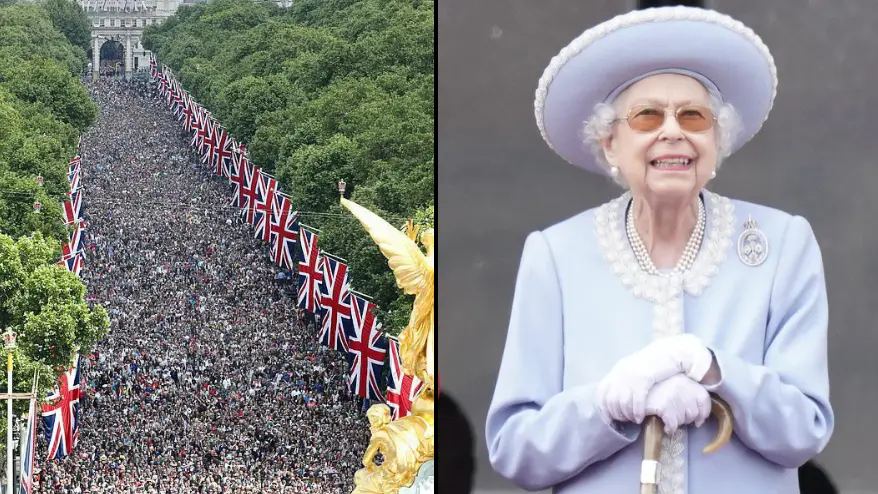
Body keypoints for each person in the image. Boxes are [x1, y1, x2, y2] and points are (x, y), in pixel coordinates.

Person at [484, 6, 834, 494]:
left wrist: (714, 370)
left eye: (694, 115)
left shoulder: (782, 245)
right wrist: (607, 405)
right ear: (610, 143)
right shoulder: (555, 256)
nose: (673, 130)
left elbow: (805, 429)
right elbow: (514, 448)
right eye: (647, 116)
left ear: (715, 140)